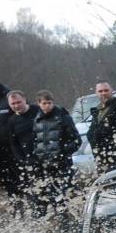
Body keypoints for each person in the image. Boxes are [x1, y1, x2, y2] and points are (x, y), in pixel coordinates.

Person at [26, 90, 80, 218]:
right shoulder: (37, 120)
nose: (47, 106)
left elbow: (76, 140)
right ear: (39, 103)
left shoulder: (63, 117)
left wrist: (62, 153)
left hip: (62, 164)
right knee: (46, 196)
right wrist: (35, 157)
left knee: (65, 195)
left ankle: (68, 221)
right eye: (44, 103)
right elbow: (35, 141)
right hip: (43, 166)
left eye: (49, 103)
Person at [87, 81, 116, 174]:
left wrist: (106, 142)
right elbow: (91, 133)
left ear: (111, 91)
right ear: (96, 93)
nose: (103, 93)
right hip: (101, 158)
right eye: (100, 91)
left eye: (106, 90)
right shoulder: (97, 111)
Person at [3, 90, 42, 199]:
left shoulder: (38, 111)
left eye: (18, 102)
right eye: (13, 104)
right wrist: (23, 161)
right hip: (30, 163)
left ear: (25, 99)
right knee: (37, 197)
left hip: (47, 158)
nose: (16, 106)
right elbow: (14, 144)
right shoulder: (12, 121)